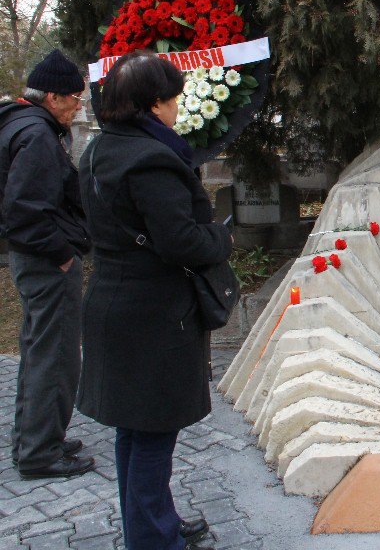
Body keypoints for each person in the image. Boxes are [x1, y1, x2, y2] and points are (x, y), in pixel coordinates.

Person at [77, 51, 233, 550]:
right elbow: (180, 242)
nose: (176, 108)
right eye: (172, 99)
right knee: (153, 433)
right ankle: (152, 539)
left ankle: (154, 521)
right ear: (152, 104)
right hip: (153, 315)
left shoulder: (101, 151)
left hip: (115, 300)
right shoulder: (152, 159)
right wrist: (222, 241)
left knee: (135, 428)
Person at [0, 49, 94, 478]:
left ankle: (38, 437)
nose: (78, 106)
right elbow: (24, 209)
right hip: (44, 260)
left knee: (40, 350)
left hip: (33, 258)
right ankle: (40, 453)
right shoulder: (36, 135)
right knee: (54, 355)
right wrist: (60, 255)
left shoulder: (20, 123)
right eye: (74, 98)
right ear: (52, 98)